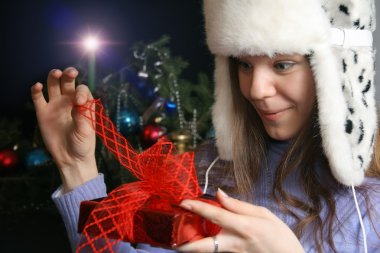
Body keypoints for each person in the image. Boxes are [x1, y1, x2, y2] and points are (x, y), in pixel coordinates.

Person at [31, 0, 380, 252]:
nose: (255, 90)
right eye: (243, 65)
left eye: (283, 65)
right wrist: (76, 167)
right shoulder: (205, 169)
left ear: (337, 73)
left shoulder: (370, 203)